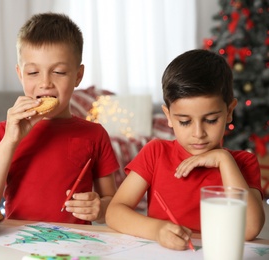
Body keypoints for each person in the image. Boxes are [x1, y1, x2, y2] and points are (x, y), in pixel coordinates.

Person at [105, 49, 265, 250]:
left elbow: (250, 228)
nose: (198, 133)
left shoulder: (242, 163)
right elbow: (114, 213)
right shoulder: (156, 153)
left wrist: (224, 160)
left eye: (211, 120)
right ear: (169, 116)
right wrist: (157, 230)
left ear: (229, 111)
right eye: (185, 121)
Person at [0, 12, 119, 225]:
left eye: (58, 72)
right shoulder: (5, 132)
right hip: (18, 242)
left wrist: (100, 207)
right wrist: (10, 141)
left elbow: (112, 204)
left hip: (74, 246)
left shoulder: (94, 134)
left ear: (78, 76)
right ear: (20, 74)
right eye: (33, 73)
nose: (45, 83)